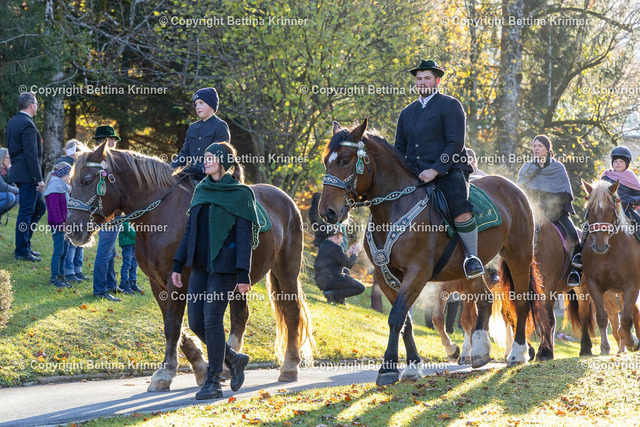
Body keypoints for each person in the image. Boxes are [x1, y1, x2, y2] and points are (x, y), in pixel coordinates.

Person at [172, 142, 255, 400]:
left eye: (210, 158)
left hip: (224, 267)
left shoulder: (240, 194)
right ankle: (234, 358)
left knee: (212, 319)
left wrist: (243, 273)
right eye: (205, 157)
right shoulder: (201, 189)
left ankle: (214, 381)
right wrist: (177, 264)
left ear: (223, 162)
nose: (205, 161)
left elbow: (244, 237)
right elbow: (190, 231)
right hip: (199, 265)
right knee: (196, 322)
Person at [395, 58, 483, 279]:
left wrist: (434, 170)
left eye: (427, 78)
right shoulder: (406, 113)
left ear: (437, 81)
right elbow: (399, 149)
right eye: (419, 79)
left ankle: (472, 257)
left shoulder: (450, 105)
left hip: (449, 170)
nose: (422, 82)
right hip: (415, 174)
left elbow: (455, 143)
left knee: (459, 207)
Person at [516, 135, 580, 286]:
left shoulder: (557, 168)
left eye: (540, 146)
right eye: (534, 146)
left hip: (555, 213)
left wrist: (546, 206)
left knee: (573, 235)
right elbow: (519, 192)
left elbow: (564, 195)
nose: (536, 149)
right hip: (531, 213)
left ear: (547, 149)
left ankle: (575, 271)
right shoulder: (527, 167)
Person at [6, 92, 47, 262]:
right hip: (28, 174)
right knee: (26, 212)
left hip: (20, 172)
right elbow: (31, 154)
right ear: (31, 105)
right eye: (36, 104)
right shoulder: (27, 124)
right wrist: (39, 179)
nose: (37, 107)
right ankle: (22, 251)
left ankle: (25, 245)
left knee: (39, 208)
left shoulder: (13, 121)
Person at [170, 87, 231, 182]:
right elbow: (185, 153)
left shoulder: (220, 126)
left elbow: (220, 155)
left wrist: (201, 168)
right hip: (192, 177)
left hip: (213, 179)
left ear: (211, 105)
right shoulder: (192, 127)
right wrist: (169, 168)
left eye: (201, 103)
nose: (197, 107)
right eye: (196, 104)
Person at [91, 126, 122, 301]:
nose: (115, 143)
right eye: (113, 140)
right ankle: (100, 289)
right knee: (104, 252)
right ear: (106, 141)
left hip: (112, 212)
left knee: (110, 251)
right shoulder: (102, 162)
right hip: (108, 213)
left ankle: (110, 284)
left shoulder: (104, 160)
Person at [57, 139, 89, 283]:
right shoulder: (65, 165)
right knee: (72, 241)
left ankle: (77, 269)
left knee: (80, 239)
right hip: (72, 208)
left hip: (79, 206)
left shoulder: (78, 165)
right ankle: (69, 270)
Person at [313, 225, 365, 305]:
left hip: (322, 280)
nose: (341, 241)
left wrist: (349, 252)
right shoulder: (336, 248)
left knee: (345, 271)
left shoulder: (324, 245)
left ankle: (336, 297)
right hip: (331, 279)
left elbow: (341, 261)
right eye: (341, 238)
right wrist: (355, 253)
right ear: (335, 237)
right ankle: (333, 294)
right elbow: (349, 264)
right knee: (361, 287)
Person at [44, 162, 73, 288]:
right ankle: (54, 277)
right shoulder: (54, 186)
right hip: (58, 225)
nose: (70, 177)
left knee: (64, 251)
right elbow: (54, 208)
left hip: (66, 224)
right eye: (68, 174)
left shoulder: (64, 187)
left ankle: (62, 276)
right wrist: (60, 224)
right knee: (58, 251)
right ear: (62, 174)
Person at [118, 220, 141, 294]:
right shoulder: (124, 220)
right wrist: (139, 235)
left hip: (134, 243)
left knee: (134, 264)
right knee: (127, 264)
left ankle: (132, 283)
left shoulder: (133, 219)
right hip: (127, 243)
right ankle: (124, 283)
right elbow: (129, 231)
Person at [0, 148, 19, 220]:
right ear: (2, 158)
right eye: (8, 158)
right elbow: (2, 187)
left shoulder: (5, 170)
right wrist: (19, 190)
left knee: (18, 196)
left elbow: (12, 185)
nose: (10, 160)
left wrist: (10, 171)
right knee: (10, 197)